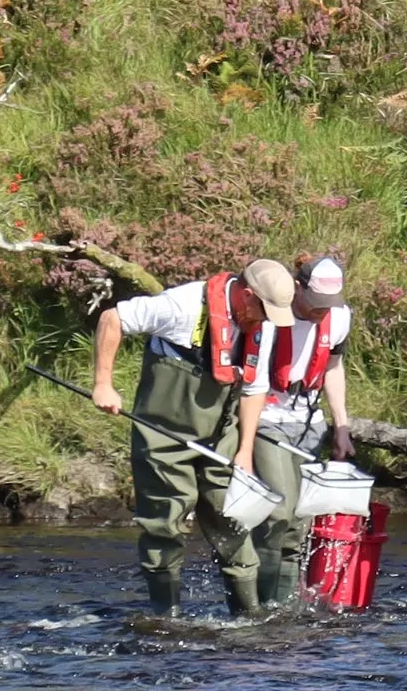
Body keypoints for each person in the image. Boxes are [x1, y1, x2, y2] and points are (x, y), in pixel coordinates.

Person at [88, 256, 289, 616]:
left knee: (233, 522)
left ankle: (250, 617)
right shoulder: (182, 305)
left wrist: (244, 451)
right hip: (162, 435)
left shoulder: (264, 323)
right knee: (165, 525)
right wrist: (104, 384)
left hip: (220, 437)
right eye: (264, 309)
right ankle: (167, 620)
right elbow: (112, 318)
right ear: (246, 293)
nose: (266, 320)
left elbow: (254, 388)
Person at [223, 254, 359, 606]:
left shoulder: (339, 317)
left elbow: (332, 367)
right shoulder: (270, 318)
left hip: (308, 423)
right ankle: (259, 602)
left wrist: (341, 425)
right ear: (298, 288)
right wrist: (245, 446)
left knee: (300, 521)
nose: (321, 311)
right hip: (268, 418)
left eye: (328, 305)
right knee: (280, 512)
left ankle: (283, 607)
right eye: (315, 304)